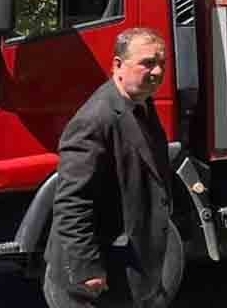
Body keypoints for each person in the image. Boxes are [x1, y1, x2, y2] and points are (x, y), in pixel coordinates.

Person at [44, 28, 182, 308]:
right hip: (99, 278)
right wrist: (87, 269)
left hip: (128, 265)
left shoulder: (140, 103)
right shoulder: (95, 120)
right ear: (118, 65)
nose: (157, 72)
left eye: (162, 64)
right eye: (147, 63)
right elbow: (72, 201)